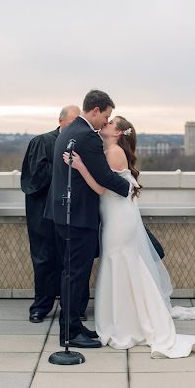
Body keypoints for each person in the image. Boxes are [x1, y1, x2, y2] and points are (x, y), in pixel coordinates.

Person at [64, 115, 195, 358]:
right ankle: (124, 320)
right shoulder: (110, 149)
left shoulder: (114, 152)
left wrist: (80, 167)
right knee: (120, 265)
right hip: (114, 216)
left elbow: (101, 187)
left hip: (118, 219)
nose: (105, 123)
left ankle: (126, 325)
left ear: (117, 133)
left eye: (110, 122)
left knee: (120, 265)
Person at [52, 90, 132, 349]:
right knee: (75, 274)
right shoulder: (87, 136)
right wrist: (129, 188)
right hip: (77, 214)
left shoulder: (69, 129)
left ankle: (73, 324)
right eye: (106, 116)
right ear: (95, 110)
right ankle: (70, 331)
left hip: (65, 211)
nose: (105, 122)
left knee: (71, 272)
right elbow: (104, 178)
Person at [21, 105, 80, 323]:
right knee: (44, 258)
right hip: (43, 211)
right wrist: (65, 165)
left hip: (71, 212)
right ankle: (41, 305)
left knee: (70, 259)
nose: (75, 126)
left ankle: (71, 306)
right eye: (72, 121)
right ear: (60, 120)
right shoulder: (42, 142)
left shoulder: (81, 144)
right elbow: (34, 178)